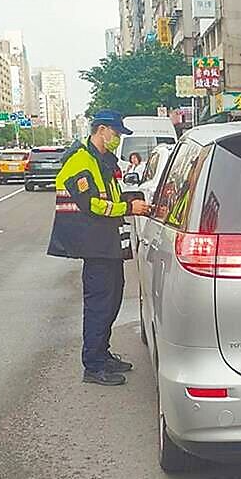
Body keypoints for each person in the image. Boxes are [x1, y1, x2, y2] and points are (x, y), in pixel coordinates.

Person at [47, 110, 151, 387]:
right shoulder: (80, 161)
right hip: (93, 245)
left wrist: (135, 198)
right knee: (99, 306)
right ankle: (93, 365)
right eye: (116, 133)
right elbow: (91, 203)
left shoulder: (100, 160)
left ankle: (103, 355)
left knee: (111, 301)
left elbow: (110, 195)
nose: (118, 139)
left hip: (106, 243)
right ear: (102, 130)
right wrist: (129, 207)